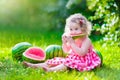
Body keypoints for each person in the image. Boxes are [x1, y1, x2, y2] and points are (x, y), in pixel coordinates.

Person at [23, 13, 101, 72]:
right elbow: (66, 51)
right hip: (73, 58)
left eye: (76, 29)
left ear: (83, 29)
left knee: (66, 64)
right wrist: (64, 43)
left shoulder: (87, 40)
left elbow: (81, 53)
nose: (73, 32)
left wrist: (72, 43)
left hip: (84, 61)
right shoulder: (73, 39)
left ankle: (51, 70)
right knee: (56, 61)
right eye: (71, 29)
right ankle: (34, 65)